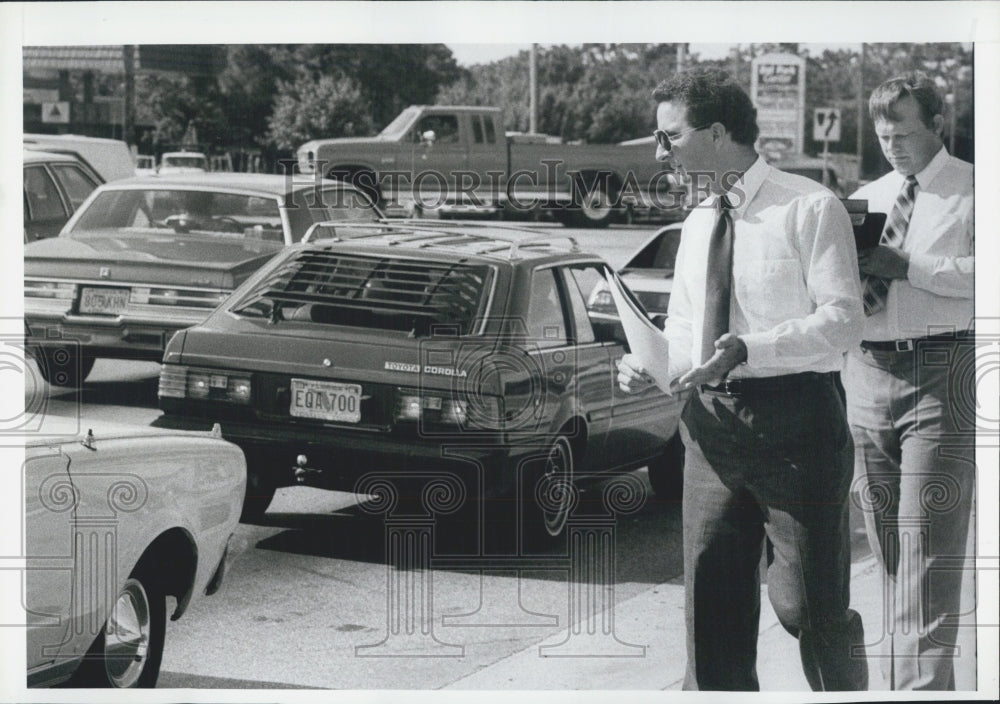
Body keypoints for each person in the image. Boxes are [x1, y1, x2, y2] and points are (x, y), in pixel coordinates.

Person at [617, 68, 868, 691]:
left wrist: (747, 349)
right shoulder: (698, 221)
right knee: (712, 611)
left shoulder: (810, 206)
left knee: (809, 609)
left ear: (718, 132)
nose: (659, 152)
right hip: (709, 430)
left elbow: (843, 322)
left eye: (669, 136)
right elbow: (683, 326)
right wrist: (652, 361)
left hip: (798, 426)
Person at [844, 71, 975, 691]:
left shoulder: (976, 191)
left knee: (927, 550)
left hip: (939, 374)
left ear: (938, 125)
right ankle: (917, 684)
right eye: (882, 132)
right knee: (889, 554)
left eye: (904, 130)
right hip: (866, 372)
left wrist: (909, 266)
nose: (892, 142)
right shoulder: (865, 197)